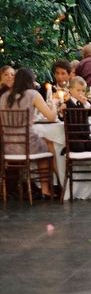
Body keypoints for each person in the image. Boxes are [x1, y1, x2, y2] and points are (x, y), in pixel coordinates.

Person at [0, 67, 57, 197]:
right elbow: (51, 117)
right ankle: (47, 188)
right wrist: (53, 104)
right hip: (27, 144)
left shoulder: (4, 96)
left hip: (7, 146)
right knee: (48, 147)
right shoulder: (33, 94)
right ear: (31, 81)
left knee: (44, 144)